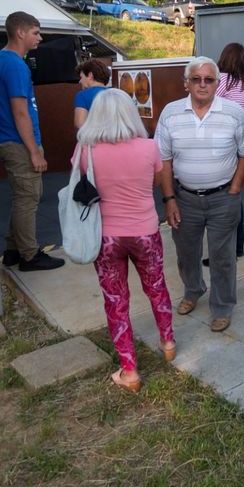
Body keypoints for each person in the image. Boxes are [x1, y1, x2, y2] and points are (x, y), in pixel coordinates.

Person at [76, 89, 175, 392]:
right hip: (145, 230)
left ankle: (129, 371)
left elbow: (81, 182)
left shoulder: (86, 149)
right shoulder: (149, 147)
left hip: (105, 236)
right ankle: (168, 342)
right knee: (156, 286)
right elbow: (157, 181)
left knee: (116, 300)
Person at [157, 57, 244, 333]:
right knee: (187, 253)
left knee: (223, 257)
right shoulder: (171, 113)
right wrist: (169, 199)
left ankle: (222, 307)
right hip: (184, 198)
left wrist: (235, 189)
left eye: (208, 79)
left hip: (223, 197)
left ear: (217, 83)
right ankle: (193, 289)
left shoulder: (234, 113)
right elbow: (163, 160)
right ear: (186, 83)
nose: (202, 84)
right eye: (196, 79)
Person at [0, 11, 65, 272]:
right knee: (28, 198)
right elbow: (20, 111)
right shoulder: (15, 64)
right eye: (36, 32)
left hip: (7, 139)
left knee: (23, 196)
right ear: (20, 32)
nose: (40, 38)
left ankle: (13, 250)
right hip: (17, 141)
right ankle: (29, 256)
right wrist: (34, 151)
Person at [213, 42, 244, 262]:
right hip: (236, 142)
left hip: (219, 143)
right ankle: (238, 245)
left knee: (220, 197)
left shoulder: (221, 81)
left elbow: (204, 101)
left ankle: (225, 251)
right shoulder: (243, 83)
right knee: (234, 196)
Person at [73, 59, 110, 129]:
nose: (80, 81)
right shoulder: (117, 94)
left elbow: (80, 124)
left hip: (94, 139)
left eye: (81, 77)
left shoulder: (82, 95)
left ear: (90, 75)